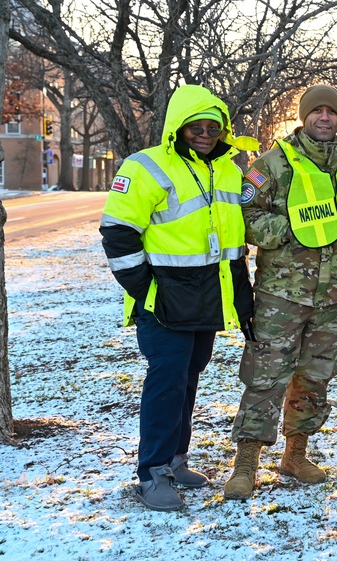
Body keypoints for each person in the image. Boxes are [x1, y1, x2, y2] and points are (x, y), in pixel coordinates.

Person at [100, 84, 258, 511]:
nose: (205, 133)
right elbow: (117, 232)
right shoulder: (146, 166)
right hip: (163, 301)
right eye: (196, 126)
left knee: (188, 379)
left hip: (206, 298)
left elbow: (232, 244)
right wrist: (145, 290)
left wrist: (241, 299)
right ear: (178, 127)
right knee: (165, 382)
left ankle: (175, 459)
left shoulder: (227, 170)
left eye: (213, 126)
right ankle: (152, 473)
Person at [222, 85, 337, 500]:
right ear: (304, 116)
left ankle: (295, 455)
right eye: (317, 111)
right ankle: (246, 465)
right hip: (282, 295)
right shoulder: (272, 164)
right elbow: (245, 215)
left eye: (332, 112)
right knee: (266, 377)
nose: (325, 118)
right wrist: (289, 232)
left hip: (332, 296)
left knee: (315, 378)